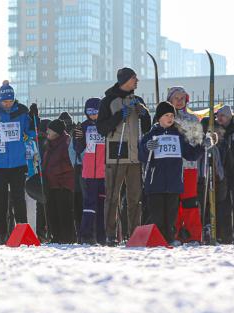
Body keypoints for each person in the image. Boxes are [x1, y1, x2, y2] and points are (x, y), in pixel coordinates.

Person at [96, 67, 152, 245]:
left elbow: (147, 128)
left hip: (135, 156)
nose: (137, 81)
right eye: (134, 78)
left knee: (135, 198)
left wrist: (145, 115)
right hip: (116, 154)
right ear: (125, 80)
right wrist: (120, 115)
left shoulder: (138, 101)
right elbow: (102, 128)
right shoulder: (108, 101)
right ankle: (111, 235)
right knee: (112, 196)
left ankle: (134, 233)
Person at [139, 102, 206, 245]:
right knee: (157, 216)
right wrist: (147, 147)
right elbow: (141, 156)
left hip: (174, 184)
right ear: (159, 117)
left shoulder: (178, 136)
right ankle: (158, 241)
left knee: (171, 217)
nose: (170, 118)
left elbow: (191, 155)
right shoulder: (151, 135)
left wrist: (203, 146)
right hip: (155, 184)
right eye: (166, 115)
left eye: (172, 115)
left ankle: (169, 240)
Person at [0, 81, 37, 244]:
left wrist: (34, 118)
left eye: (10, 101)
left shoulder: (21, 112)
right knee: (0, 201)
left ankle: (22, 230)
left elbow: (31, 133)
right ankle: (2, 234)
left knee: (19, 199)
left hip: (18, 163)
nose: (7, 104)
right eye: (4, 101)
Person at [166, 86, 205, 244]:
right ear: (170, 99)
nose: (179, 101)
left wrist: (203, 142)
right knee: (173, 202)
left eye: (182, 98)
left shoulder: (192, 119)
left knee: (189, 201)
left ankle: (193, 235)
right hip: (170, 166)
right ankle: (173, 234)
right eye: (176, 98)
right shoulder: (164, 117)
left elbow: (197, 141)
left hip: (189, 166)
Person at [74, 98, 107, 244]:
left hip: (104, 171)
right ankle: (86, 235)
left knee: (102, 205)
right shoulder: (83, 126)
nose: (93, 115)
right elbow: (78, 149)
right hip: (89, 172)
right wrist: (78, 139)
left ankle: (102, 236)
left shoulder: (106, 125)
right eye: (89, 112)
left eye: (95, 111)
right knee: (89, 205)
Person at [43, 119, 76, 243]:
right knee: (52, 211)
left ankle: (67, 237)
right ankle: (56, 236)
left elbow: (69, 163)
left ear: (56, 132)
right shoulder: (50, 144)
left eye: (49, 130)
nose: (47, 131)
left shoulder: (66, 142)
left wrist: (54, 171)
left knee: (64, 212)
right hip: (52, 184)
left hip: (63, 184)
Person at [215, 105, 234, 243]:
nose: (220, 118)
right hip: (222, 174)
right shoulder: (216, 132)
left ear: (229, 117)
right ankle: (225, 235)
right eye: (218, 116)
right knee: (223, 204)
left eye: (223, 116)